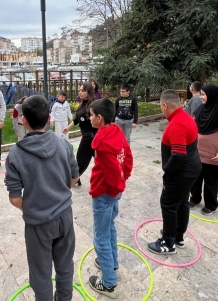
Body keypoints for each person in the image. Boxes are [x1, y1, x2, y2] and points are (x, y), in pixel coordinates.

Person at [4, 95, 79, 301]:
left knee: (40, 273)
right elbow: (75, 176)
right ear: (49, 119)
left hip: (38, 223)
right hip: (65, 217)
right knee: (65, 265)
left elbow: (14, 197)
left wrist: (34, 206)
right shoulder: (63, 144)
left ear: (24, 120)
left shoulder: (16, 154)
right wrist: (59, 194)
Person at [87, 98, 133, 299]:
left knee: (100, 238)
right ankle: (112, 263)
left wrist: (115, 189)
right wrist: (123, 181)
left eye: (91, 115)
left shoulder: (103, 142)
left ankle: (108, 283)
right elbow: (127, 158)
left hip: (105, 193)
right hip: (114, 192)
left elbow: (113, 171)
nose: (89, 118)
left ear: (99, 117)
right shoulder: (116, 130)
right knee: (110, 227)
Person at [147, 90, 201, 255]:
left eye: (161, 106)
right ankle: (178, 236)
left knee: (168, 204)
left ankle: (168, 243)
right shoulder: (185, 117)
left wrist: (167, 171)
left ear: (165, 105)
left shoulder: (177, 123)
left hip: (181, 172)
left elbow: (178, 155)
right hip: (191, 170)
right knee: (182, 202)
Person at [189, 85, 218, 215]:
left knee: (211, 182)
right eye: (201, 94)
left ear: (213, 96)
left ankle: (211, 205)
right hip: (196, 154)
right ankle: (195, 198)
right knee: (195, 179)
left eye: (203, 94)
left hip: (213, 156)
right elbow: (192, 127)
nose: (201, 97)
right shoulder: (200, 110)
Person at [63, 82, 97, 186]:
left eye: (83, 90)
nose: (80, 92)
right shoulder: (82, 103)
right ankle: (76, 178)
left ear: (89, 92)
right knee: (84, 160)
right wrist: (68, 127)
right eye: (80, 90)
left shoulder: (94, 105)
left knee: (80, 161)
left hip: (91, 138)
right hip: (87, 136)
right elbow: (77, 119)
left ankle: (73, 179)